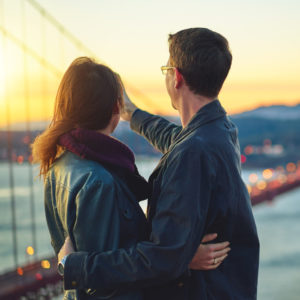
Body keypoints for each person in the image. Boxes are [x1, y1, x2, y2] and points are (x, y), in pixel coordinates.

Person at [59, 28, 260, 299]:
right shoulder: (220, 129)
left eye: (166, 67)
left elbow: (161, 260)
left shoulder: (194, 152)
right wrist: (133, 114)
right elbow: (176, 139)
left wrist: (74, 266)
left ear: (176, 77)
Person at [32, 56, 230, 300]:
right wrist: (179, 258)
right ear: (116, 108)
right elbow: (109, 286)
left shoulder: (58, 164)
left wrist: (134, 114)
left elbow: (108, 252)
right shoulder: (99, 182)